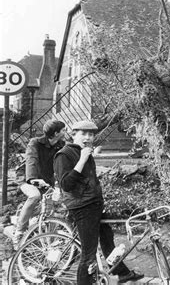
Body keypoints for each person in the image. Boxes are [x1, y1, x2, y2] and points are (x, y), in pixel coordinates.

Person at [53, 120, 143, 284]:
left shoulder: (84, 152)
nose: (88, 137)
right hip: (82, 208)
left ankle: (122, 273)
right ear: (73, 135)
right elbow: (66, 184)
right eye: (83, 133)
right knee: (88, 255)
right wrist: (82, 159)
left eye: (91, 134)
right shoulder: (64, 155)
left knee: (107, 238)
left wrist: (86, 157)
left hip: (94, 204)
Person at [14, 120, 67, 245]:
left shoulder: (61, 145)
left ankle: (50, 241)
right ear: (56, 133)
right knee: (35, 195)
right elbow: (31, 160)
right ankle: (19, 232)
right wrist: (32, 178)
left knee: (52, 206)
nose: (66, 132)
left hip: (46, 180)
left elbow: (62, 165)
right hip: (27, 177)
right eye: (64, 130)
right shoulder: (35, 143)